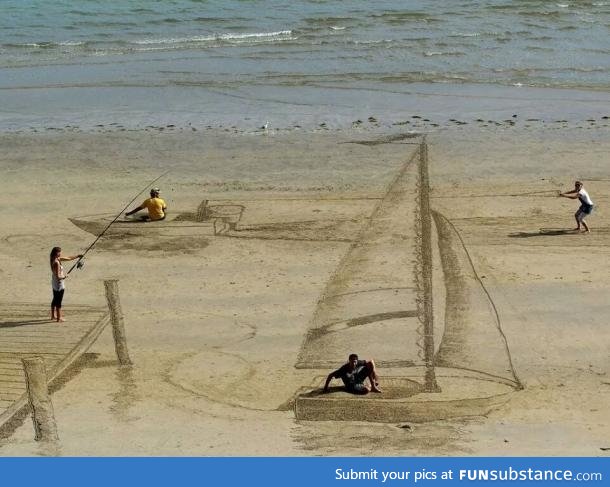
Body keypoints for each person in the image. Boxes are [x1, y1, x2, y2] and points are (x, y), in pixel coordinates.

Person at [50, 247, 82, 322]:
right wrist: (65, 276)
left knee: (55, 299)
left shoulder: (54, 259)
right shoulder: (57, 263)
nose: (61, 253)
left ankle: (53, 316)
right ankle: (58, 318)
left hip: (54, 283)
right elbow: (58, 277)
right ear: (56, 253)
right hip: (59, 284)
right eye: (59, 252)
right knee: (58, 302)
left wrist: (77, 256)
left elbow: (68, 258)